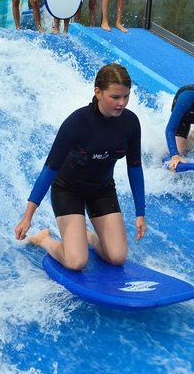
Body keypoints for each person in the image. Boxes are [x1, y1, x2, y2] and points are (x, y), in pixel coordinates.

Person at [15, 63, 147, 271]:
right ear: (98, 92)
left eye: (126, 96)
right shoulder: (77, 122)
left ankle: (86, 235)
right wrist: (27, 216)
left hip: (102, 191)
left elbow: (135, 167)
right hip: (68, 191)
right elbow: (50, 169)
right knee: (76, 262)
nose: (121, 103)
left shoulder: (130, 123)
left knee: (117, 257)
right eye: (115, 97)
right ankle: (44, 239)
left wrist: (140, 213)